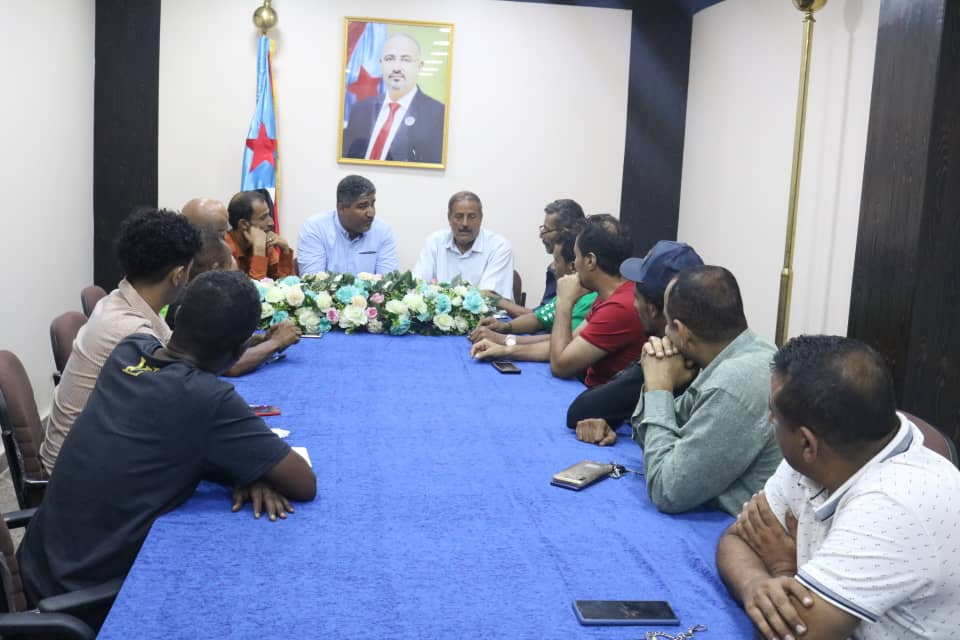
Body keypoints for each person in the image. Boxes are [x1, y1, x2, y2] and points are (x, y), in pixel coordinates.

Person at [18, 271, 317, 612]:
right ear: (238, 352)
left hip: (37, 563)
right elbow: (304, 483)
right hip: (81, 596)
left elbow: (170, 437)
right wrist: (251, 468)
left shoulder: (128, 351)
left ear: (176, 317)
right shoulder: (208, 399)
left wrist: (245, 468)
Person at [718, 336, 960, 640]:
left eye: (774, 416)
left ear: (807, 443)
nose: (770, 420)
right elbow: (738, 538)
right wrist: (754, 584)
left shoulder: (892, 505)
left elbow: (791, 634)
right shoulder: (833, 448)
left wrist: (783, 570)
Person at [578, 266, 781, 515]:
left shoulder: (734, 381)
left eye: (667, 324)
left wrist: (658, 389)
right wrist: (656, 389)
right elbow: (653, 437)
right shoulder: (736, 352)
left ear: (682, 331)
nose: (664, 334)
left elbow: (667, 490)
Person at [40, 208, 201, 474]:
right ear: (178, 275)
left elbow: (177, 355)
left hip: (87, 451)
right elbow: (172, 406)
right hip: (78, 473)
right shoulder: (131, 330)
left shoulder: (122, 299)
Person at [566, 240, 703, 429]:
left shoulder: (667, 355)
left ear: (653, 309)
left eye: (637, 298)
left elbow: (580, 411)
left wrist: (648, 371)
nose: (634, 305)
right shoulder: (705, 348)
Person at [165, 230, 301, 376]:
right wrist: (275, 343)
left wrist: (261, 340)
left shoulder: (203, 295)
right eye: (230, 256)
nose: (235, 261)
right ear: (216, 269)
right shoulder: (191, 303)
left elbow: (217, 344)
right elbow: (228, 366)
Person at [469, 226, 596, 362]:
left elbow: (561, 341)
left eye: (556, 260)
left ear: (573, 267)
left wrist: (504, 340)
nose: (553, 266)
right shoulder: (570, 290)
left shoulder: (590, 300)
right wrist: (504, 327)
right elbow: (538, 318)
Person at [341, 33, 445, 164]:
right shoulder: (360, 109)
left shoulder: (438, 115)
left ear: (419, 66)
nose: (396, 68)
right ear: (381, 64)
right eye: (390, 59)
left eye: (406, 59)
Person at [489, 198, 586, 318]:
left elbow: (543, 317)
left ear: (565, 232)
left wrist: (496, 300)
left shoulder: (578, 275)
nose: (541, 235)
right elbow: (544, 312)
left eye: (547, 230)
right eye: (542, 228)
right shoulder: (557, 267)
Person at [413, 191, 514, 297]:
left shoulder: (499, 246)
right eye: (459, 216)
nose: (465, 223)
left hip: (487, 308)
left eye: (472, 217)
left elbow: (490, 296)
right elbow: (417, 285)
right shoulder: (435, 242)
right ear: (449, 218)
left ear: (481, 218)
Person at [297, 175, 399, 275]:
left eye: (372, 204)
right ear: (341, 208)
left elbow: (388, 281)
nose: (371, 213)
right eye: (362, 206)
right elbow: (313, 281)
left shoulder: (383, 231)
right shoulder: (315, 229)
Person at [225, 190, 295, 280]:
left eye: (269, 215)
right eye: (263, 218)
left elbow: (285, 285)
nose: (271, 223)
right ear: (244, 224)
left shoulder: (265, 242)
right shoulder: (224, 251)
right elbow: (252, 288)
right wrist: (259, 251)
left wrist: (285, 250)